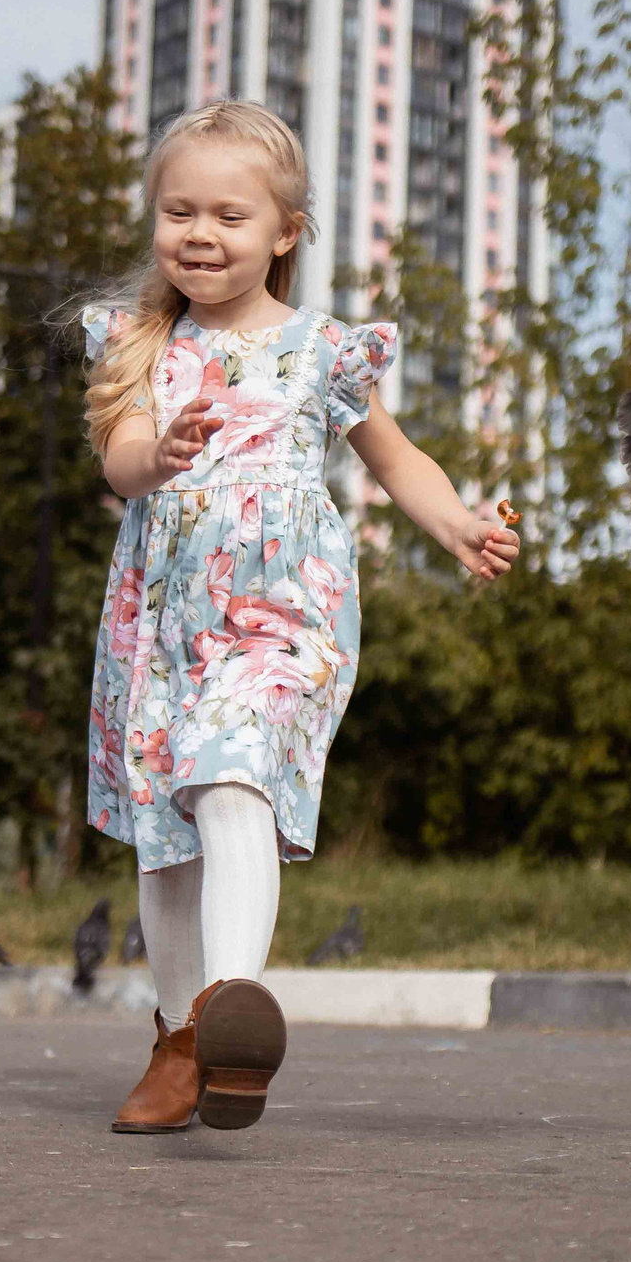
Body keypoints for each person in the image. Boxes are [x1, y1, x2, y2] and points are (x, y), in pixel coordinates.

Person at [81, 100, 517, 1133]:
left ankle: (230, 1012)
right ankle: (178, 1040)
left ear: (284, 230)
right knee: (167, 840)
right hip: (161, 621)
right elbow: (119, 461)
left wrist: (454, 521)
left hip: (283, 614)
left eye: (228, 216)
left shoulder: (325, 350)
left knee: (234, 781)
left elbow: (395, 458)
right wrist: (164, 455)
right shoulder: (139, 345)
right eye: (177, 210)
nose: (198, 233)